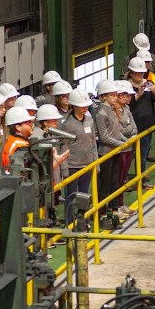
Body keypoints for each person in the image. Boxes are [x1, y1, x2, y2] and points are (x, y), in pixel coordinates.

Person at [94, 79, 129, 218]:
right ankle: (102, 213)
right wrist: (121, 144)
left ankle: (114, 211)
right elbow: (104, 137)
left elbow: (116, 131)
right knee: (105, 184)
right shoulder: (101, 114)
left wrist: (126, 141)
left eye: (115, 94)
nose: (115, 97)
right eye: (112, 95)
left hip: (115, 152)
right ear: (103, 97)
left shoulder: (112, 110)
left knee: (115, 182)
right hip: (106, 154)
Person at [60, 89, 96, 226]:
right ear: (74, 106)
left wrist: (95, 162)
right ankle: (70, 222)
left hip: (87, 164)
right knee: (71, 195)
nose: (85, 107)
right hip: (72, 166)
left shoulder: (89, 120)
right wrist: (64, 169)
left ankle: (83, 221)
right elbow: (63, 146)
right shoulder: (67, 124)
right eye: (82, 105)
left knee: (84, 194)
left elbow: (93, 141)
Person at [126, 56, 155, 188]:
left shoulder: (148, 83)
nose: (139, 75)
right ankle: (125, 180)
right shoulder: (126, 87)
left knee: (142, 154)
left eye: (141, 73)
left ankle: (141, 179)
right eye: (136, 73)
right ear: (130, 72)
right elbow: (125, 106)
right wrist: (137, 95)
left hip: (146, 125)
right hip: (130, 127)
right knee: (127, 156)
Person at [116, 80, 138, 190]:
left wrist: (128, 130)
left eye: (129, 95)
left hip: (129, 148)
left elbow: (135, 129)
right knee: (118, 179)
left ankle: (120, 203)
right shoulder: (113, 112)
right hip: (120, 150)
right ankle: (117, 204)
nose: (128, 98)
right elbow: (119, 131)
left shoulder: (127, 109)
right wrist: (129, 131)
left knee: (124, 178)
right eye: (124, 95)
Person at [1, 106, 35, 171]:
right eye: (28, 122)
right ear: (18, 127)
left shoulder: (13, 140)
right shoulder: (18, 144)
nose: (31, 124)